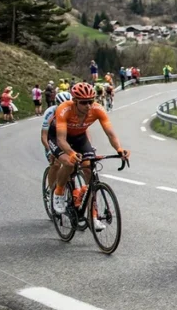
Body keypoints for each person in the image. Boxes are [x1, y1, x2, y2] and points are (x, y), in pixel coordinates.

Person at [48, 83, 130, 230]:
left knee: (88, 169)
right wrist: (72, 154)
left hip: (79, 137)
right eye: (84, 102)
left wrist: (119, 149)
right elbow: (61, 140)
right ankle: (58, 192)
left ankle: (93, 216)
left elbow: (110, 133)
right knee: (68, 163)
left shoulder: (97, 109)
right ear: (74, 101)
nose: (88, 105)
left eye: (91, 101)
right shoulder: (64, 109)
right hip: (58, 137)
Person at [41, 91, 72, 192]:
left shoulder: (73, 110)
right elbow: (44, 136)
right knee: (56, 164)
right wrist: (49, 150)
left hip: (65, 138)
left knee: (72, 163)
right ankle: (52, 192)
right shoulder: (50, 112)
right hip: (52, 138)